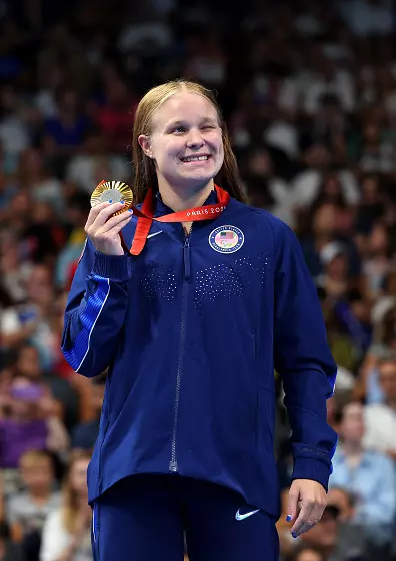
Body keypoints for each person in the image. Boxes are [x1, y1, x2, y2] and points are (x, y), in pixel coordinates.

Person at [61, 79, 338, 561]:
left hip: (236, 476)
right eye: (178, 128)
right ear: (146, 146)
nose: (196, 139)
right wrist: (108, 264)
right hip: (132, 478)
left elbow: (306, 362)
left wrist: (311, 465)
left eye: (207, 126)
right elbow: (84, 358)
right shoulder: (114, 237)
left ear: (222, 137)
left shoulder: (267, 238)